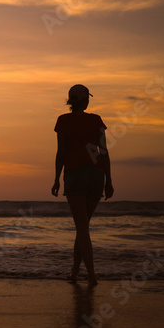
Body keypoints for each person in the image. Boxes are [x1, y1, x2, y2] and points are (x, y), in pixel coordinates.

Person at [51, 84, 114, 286]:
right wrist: (109, 180)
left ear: (71, 101)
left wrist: (55, 179)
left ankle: (92, 276)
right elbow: (103, 152)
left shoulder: (63, 120)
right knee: (83, 226)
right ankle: (76, 270)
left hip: (75, 174)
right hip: (97, 175)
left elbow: (61, 152)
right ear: (85, 100)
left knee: (82, 227)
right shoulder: (96, 120)